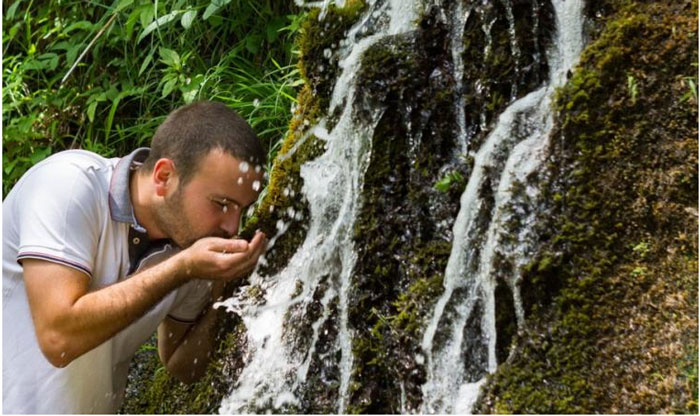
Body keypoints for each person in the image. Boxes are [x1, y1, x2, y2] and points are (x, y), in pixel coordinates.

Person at [2, 101, 268, 413]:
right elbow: (59, 338)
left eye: (243, 209)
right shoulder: (68, 186)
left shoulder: (194, 250)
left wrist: (227, 292)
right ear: (164, 176)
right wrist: (180, 268)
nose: (233, 226)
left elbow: (182, 366)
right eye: (221, 203)